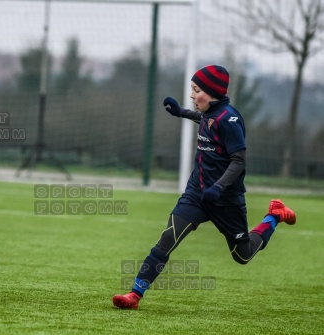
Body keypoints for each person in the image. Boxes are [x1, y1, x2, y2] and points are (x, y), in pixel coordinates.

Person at [112, 65, 297, 310]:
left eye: (196, 90)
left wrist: (219, 187)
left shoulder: (229, 120)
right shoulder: (211, 113)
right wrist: (182, 113)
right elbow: (204, 119)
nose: (191, 94)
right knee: (168, 238)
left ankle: (274, 215)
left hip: (226, 199)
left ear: (212, 93)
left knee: (243, 255)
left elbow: (239, 161)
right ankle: (134, 294)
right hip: (197, 193)